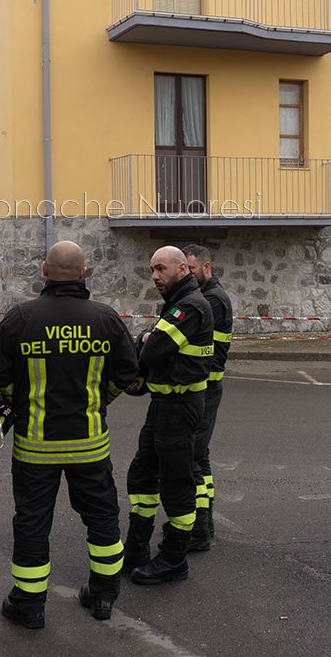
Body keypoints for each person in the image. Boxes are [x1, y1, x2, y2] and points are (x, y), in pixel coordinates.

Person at [0, 241, 139, 629]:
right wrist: (99, 400)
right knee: (103, 518)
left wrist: (17, 405)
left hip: (35, 447)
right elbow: (127, 374)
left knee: (32, 523)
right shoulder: (105, 319)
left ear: (44, 270)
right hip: (90, 444)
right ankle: (103, 596)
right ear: (84, 273)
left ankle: (28, 604)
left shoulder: (20, 318)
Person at [123, 245, 213, 584]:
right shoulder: (176, 304)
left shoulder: (190, 306)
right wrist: (147, 339)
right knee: (142, 474)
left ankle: (175, 558)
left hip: (180, 406)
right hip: (163, 404)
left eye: (161, 269)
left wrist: (147, 339)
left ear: (183, 270)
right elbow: (150, 349)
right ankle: (136, 548)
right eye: (152, 270)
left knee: (177, 483)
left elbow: (154, 350)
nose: (155, 276)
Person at [182, 244, 234, 551]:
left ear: (206, 267)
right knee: (199, 456)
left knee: (192, 458)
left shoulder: (212, 301)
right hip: (206, 389)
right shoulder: (209, 296)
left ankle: (198, 530)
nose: (187, 274)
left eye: (190, 269)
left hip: (205, 391)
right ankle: (205, 524)